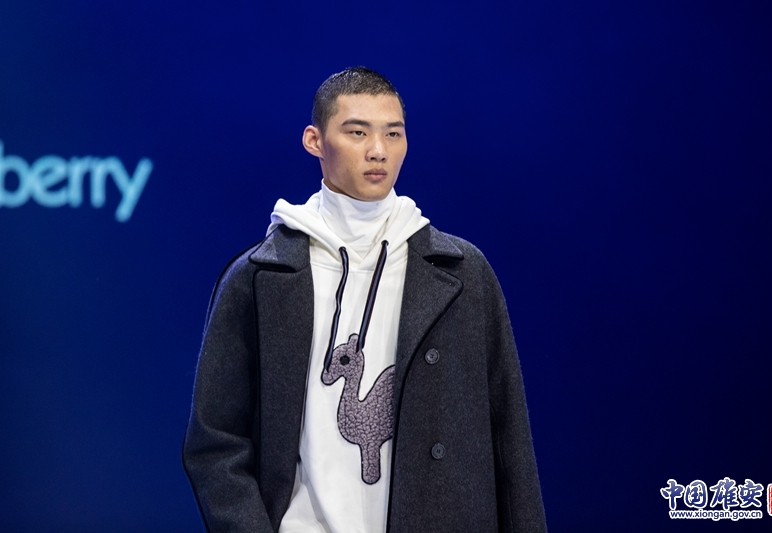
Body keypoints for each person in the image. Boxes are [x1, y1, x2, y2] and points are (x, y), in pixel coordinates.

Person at [182, 66, 547, 533]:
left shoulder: (461, 273)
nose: (378, 150)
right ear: (314, 141)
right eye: (357, 132)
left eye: (393, 133)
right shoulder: (259, 278)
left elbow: (508, 435)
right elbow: (215, 441)